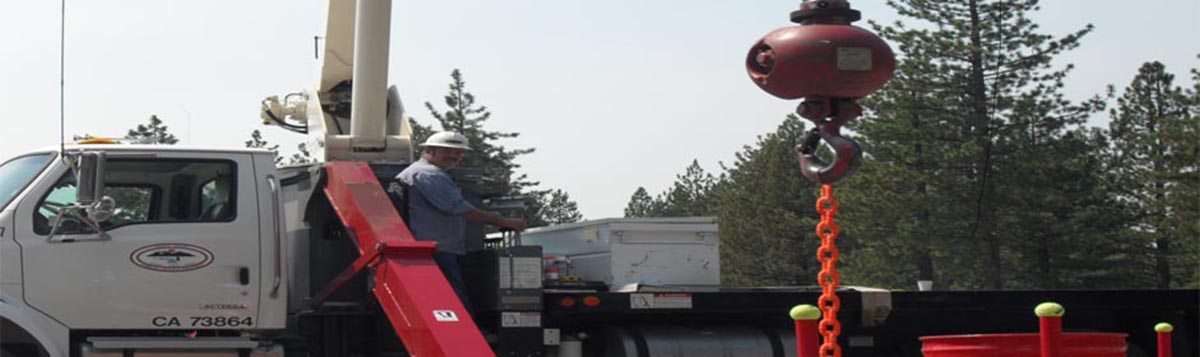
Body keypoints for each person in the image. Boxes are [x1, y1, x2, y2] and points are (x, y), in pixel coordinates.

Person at [395, 131, 526, 312]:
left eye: (458, 152)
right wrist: (504, 221)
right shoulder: (429, 175)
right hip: (436, 249)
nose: (454, 156)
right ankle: (465, 335)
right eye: (448, 151)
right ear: (430, 150)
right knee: (452, 302)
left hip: (434, 248)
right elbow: (461, 209)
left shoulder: (421, 172)